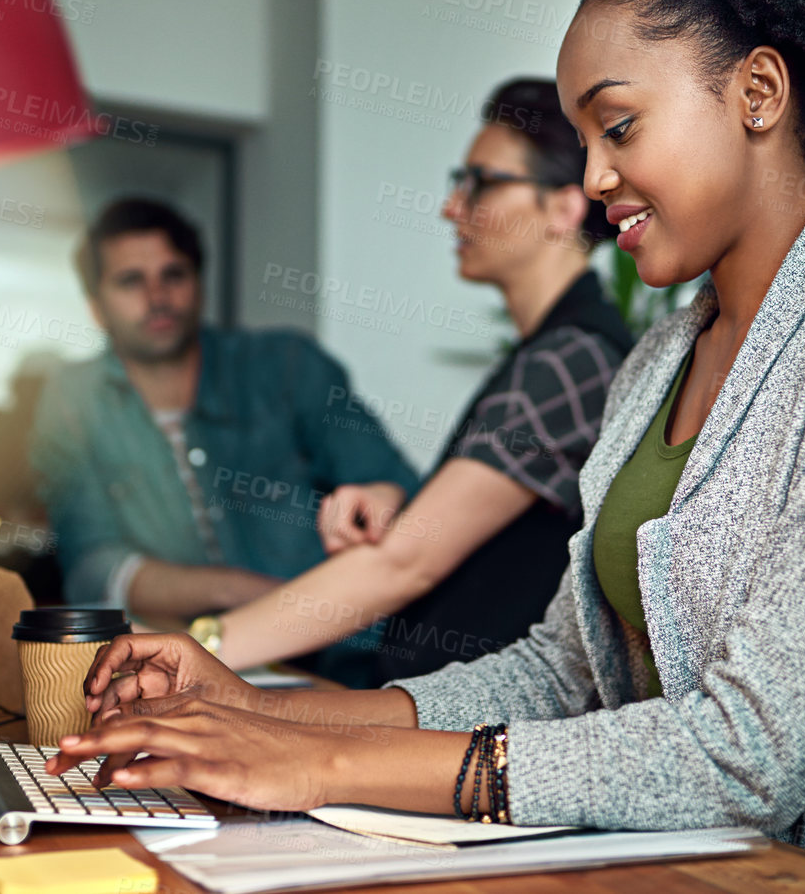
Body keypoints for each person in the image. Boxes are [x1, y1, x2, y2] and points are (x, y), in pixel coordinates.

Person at [48, 0, 805, 894]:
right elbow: (560, 669)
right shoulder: (655, 363)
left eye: (620, 127)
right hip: (646, 856)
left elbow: (751, 750)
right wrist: (252, 703)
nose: (594, 181)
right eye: (583, 139)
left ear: (759, 94)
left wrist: (318, 758)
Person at [200, 79, 634, 683]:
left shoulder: (570, 361)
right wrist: (397, 504)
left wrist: (202, 647)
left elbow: (406, 565)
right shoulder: (557, 352)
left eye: (482, 182)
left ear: (563, 208)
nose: (452, 207)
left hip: (470, 730)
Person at [28, 198, 420, 673]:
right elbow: (93, 566)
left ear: (199, 284)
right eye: (131, 280)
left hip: (348, 658)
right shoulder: (74, 400)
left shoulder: (287, 366)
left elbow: (395, 485)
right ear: (96, 306)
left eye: (174, 274)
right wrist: (236, 591)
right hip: (193, 664)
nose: (157, 296)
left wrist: (381, 496)